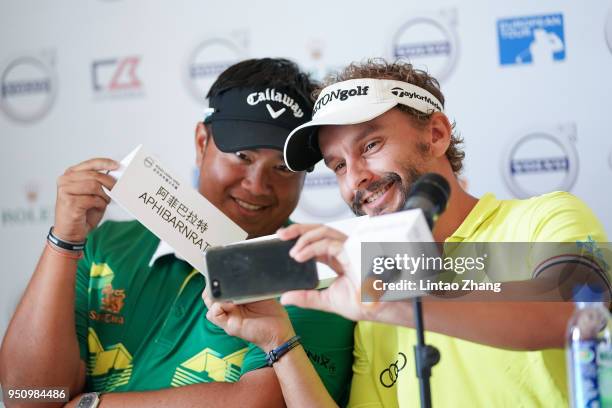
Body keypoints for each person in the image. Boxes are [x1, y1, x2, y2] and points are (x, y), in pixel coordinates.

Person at [205, 59, 611, 407]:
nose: (357, 180)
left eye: (370, 145)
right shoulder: (378, 291)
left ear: (435, 134)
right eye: (339, 166)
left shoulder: (545, 216)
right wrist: (279, 340)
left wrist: (388, 303)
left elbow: (575, 316)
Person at [0, 58, 355, 408]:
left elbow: (255, 404)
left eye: (282, 167)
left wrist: (85, 405)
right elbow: (24, 397)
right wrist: (64, 242)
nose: (257, 185)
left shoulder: (315, 269)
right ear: (202, 142)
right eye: (242, 156)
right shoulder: (106, 245)